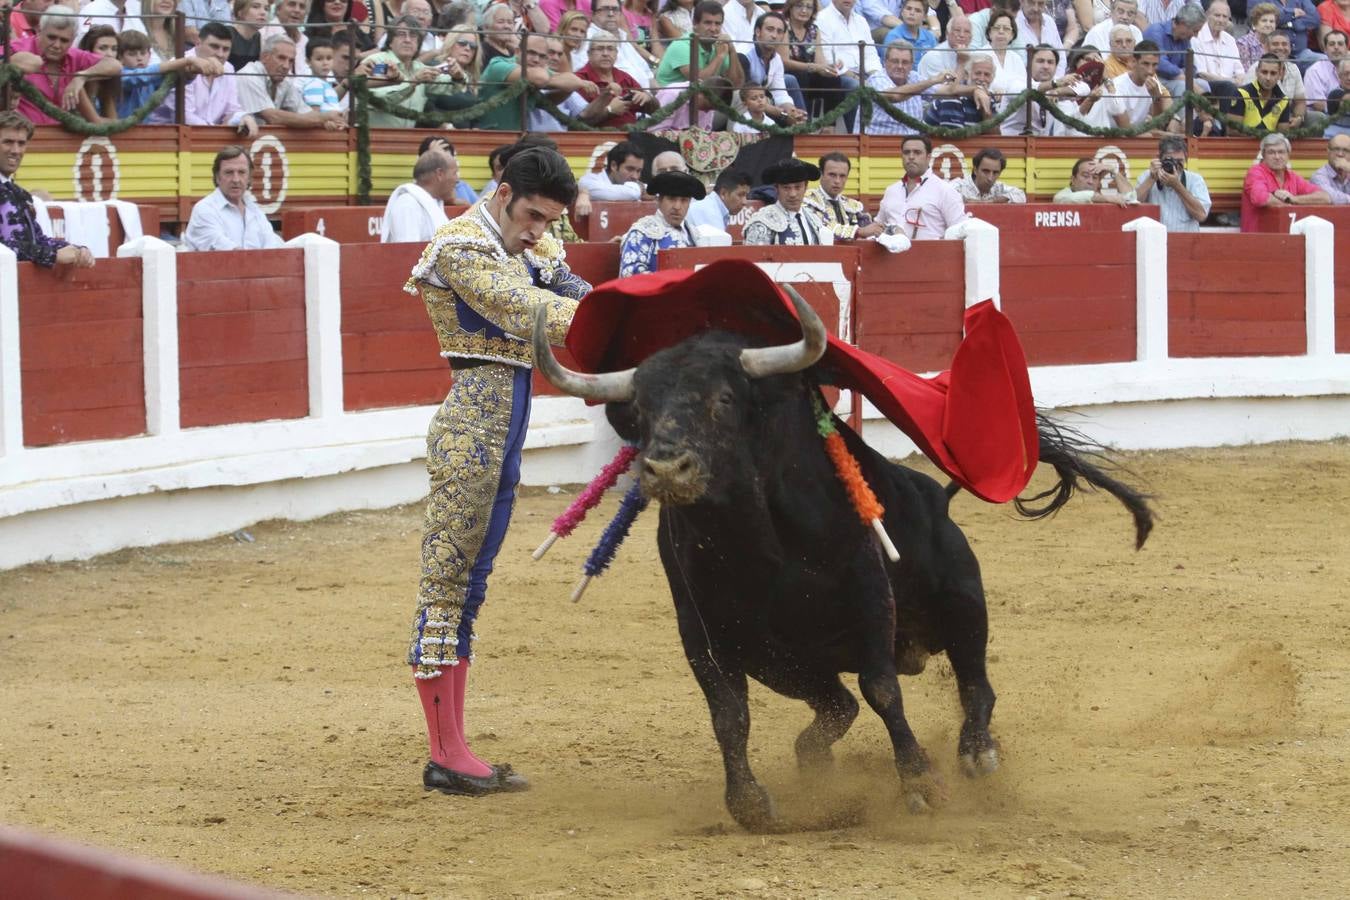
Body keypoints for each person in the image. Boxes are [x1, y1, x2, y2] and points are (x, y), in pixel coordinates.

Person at [404, 147, 590, 797]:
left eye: (548, 221)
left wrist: (633, 310)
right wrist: (618, 322)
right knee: (448, 586)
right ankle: (444, 753)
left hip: (505, 433)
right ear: (503, 192)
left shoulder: (533, 245)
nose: (539, 231)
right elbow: (530, 311)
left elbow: (575, 292)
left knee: (471, 586)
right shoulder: (460, 245)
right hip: (469, 438)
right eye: (532, 215)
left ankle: (454, 747)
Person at [0, 111, 94, 269]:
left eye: (21, 143)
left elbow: (38, 239)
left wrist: (76, 249)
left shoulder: (20, 194)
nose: (16, 150)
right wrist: (52, 255)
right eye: (8, 142)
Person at [11, 6, 123, 127]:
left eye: (64, 40)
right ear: (39, 31)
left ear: (72, 40)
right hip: (21, 135)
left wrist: (81, 76)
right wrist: (14, 62)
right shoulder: (17, 48)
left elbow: (115, 65)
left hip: (61, 138)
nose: (57, 45)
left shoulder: (74, 56)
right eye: (51, 37)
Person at [477, 32, 600, 130]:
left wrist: (572, 84)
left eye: (542, 56)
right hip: (486, 138)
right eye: (531, 53)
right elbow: (539, 78)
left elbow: (571, 80)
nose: (536, 60)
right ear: (518, 52)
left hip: (516, 141)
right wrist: (570, 83)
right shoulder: (499, 65)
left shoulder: (539, 71)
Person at [182, 146, 284, 251]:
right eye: (229, 172)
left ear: (249, 177)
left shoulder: (256, 212)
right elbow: (225, 250)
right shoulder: (204, 210)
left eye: (242, 172)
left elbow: (272, 250)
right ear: (217, 177)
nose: (236, 179)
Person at [237, 34, 347, 129]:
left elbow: (306, 112)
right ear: (265, 57)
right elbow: (273, 117)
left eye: (291, 61)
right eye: (281, 58)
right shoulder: (250, 74)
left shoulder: (285, 79)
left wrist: (330, 121)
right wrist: (322, 118)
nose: (286, 66)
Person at [116, 26, 222, 120]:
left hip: (145, 132)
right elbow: (141, 77)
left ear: (149, 55)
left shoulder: (152, 78)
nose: (139, 58)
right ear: (120, 57)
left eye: (143, 53)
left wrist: (193, 71)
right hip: (120, 133)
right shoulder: (120, 76)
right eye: (132, 54)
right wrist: (187, 60)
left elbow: (174, 80)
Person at [619, 170, 708, 276]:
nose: (677, 207)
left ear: (689, 203)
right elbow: (630, 276)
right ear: (659, 200)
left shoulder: (694, 235)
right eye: (671, 199)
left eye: (684, 200)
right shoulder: (642, 232)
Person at [875, 135, 966, 239]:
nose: (911, 157)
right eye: (906, 152)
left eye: (917, 152)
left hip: (929, 253)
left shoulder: (945, 190)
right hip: (889, 254)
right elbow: (879, 226)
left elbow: (959, 231)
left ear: (928, 157)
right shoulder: (891, 190)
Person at [177, 20, 258, 134]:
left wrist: (242, 117)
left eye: (226, 49)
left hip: (209, 138)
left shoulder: (228, 67)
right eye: (214, 46)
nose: (220, 54)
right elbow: (185, 116)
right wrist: (216, 132)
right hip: (168, 140)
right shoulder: (181, 63)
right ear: (198, 43)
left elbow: (232, 109)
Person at [864, 40, 956, 135]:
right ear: (885, 62)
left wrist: (961, 65)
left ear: (911, 65)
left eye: (905, 62)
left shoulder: (914, 77)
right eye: (895, 61)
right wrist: (933, 80)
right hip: (877, 145)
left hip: (912, 144)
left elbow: (948, 91)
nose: (900, 66)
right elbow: (894, 96)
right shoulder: (876, 79)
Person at [1241, 133, 1330, 231]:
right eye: (1271, 152)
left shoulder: (1293, 177)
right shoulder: (1255, 172)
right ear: (1263, 155)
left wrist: (1294, 199)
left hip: (1286, 237)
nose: (1277, 157)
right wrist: (1289, 207)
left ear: (1288, 154)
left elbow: (1325, 198)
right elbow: (1260, 198)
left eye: (1281, 152)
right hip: (1257, 239)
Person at [815, 0, 882, 130]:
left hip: (865, 74)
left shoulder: (861, 21)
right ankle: (858, 134)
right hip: (839, 75)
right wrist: (856, 77)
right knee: (856, 86)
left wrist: (878, 77)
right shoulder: (821, 18)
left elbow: (871, 53)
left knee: (887, 85)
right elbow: (828, 59)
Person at [743, 157, 833, 244]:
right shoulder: (762, 222)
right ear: (777, 189)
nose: (792, 194)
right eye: (786, 188)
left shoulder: (814, 220)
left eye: (797, 187)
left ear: (805, 187)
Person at [574, 36, 659, 127]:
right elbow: (579, 123)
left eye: (610, 49)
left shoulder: (624, 77)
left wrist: (647, 98)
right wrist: (609, 111)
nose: (605, 54)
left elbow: (655, 110)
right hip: (597, 136)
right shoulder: (580, 79)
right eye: (599, 49)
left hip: (632, 134)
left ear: (616, 54)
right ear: (589, 54)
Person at [655, 1, 745, 87]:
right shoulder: (681, 45)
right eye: (708, 23)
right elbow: (698, 81)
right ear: (695, 23)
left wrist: (732, 50)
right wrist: (720, 56)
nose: (713, 29)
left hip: (702, 97)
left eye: (717, 24)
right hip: (671, 98)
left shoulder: (718, 45)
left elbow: (736, 84)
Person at [1001, 43, 1083, 134]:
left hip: (1042, 143)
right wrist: (1054, 84)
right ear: (1029, 64)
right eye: (1040, 61)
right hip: (1011, 143)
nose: (1046, 66)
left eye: (1050, 62)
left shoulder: (1054, 87)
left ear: (1056, 67)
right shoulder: (1016, 81)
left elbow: (1084, 88)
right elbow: (1028, 91)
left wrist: (1056, 91)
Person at [740, 11, 808, 120]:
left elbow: (779, 92)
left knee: (794, 117)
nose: (774, 35)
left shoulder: (777, 59)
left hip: (761, 102)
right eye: (770, 29)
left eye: (779, 31)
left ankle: (802, 129)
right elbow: (745, 95)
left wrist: (791, 110)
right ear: (758, 32)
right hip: (741, 104)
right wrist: (778, 112)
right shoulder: (744, 54)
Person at [1134, 135, 1211, 230]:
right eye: (1170, 160)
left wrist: (1177, 186)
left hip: (1185, 240)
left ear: (1186, 159)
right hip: (1154, 239)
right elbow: (1133, 206)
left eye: (1179, 161)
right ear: (1159, 158)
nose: (1175, 165)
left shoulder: (1195, 180)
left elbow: (1201, 215)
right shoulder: (1147, 176)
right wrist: (1151, 179)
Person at [381, 150, 457, 243]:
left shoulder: (434, 203)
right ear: (440, 174)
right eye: (454, 173)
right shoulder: (408, 204)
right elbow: (407, 252)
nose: (457, 180)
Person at [807, 151, 884, 239]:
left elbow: (869, 228)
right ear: (821, 174)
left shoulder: (851, 206)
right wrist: (859, 231)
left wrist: (888, 230)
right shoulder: (809, 200)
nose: (837, 181)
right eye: (832, 175)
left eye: (842, 176)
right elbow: (821, 227)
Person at [1141, 3, 1206, 98]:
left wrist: (1181, 75)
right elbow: (1160, 63)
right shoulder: (1156, 31)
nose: (1196, 35)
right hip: (1154, 78)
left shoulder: (1185, 39)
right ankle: (1180, 113)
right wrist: (1180, 74)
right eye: (1195, 30)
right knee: (1182, 86)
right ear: (1183, 24)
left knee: (1203, 84)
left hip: (1176, 78)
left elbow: (1191, 67)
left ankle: (1206, 113)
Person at [1231, 54, 1297, 133]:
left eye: (1273, 73)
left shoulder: (1283, 101)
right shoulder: (1241, 93)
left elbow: (1283, 134)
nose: (1268, 78)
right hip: (1243, 144)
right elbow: (1232, 131)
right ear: (1257, 72)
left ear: (1280, 75)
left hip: (1270, 144)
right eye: (1264, 72)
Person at [684, 167, 751, 233]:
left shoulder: (712, 206)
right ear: (723, 193)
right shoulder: (708, 211)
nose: (744, 202)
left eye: (746, 196)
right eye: (740, 195)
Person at [419, 135, 478, 205]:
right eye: (439, 162)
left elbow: (482, 212)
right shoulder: (416, 193)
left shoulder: (462, 186)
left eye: (450, 160)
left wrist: (468, 207)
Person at [577, 141, 645, 201]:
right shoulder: (588, 181)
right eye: (630, 169)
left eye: (638, 171)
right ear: (614, 166)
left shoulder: (638, 186)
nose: (635, 176)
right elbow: (631, 193)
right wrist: (639, 190)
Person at [1053, 156, 1136, 204]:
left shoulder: (1102, 198)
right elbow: (1060, 199)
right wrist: (1105, 198)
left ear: (1099, 182)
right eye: (1085, 176)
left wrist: (1114, 171)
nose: (1090, 181)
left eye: (1095, 177)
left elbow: (1131, 198)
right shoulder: (1064, 195)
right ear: (1073, 180)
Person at [957, 147, 1028, 202]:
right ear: (975, 170)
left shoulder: (998, 187)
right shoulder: (959, 187)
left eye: (995, 172)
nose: (990, 178)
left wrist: (992, 202)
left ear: (1000, 173)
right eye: (986, 171)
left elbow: (1021, 196)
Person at [1305, 28, 1347, 111]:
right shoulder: (1315, 71)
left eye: (1340, 44)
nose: (1336, 47)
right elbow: (1318, 105)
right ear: (1325, 49)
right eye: (1331, 44)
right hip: (1325, 117)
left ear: (1346, 49)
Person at [299, 38, 344, 113]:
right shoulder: (314, 84)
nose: (325, 63)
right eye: (319, 59)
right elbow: (314, 114)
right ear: (308, 61)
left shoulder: (326, 85)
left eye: (329, 58)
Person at [228, 0, 267, 72]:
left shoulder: (258, 37)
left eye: (266, 8)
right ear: (240, 12)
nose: (263, 12)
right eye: (255, 7)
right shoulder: (227, 33)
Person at [1310, 132, 1350, 200]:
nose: (1340, 154)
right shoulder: (1318, 176)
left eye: (1345, 150)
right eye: (1336, 149)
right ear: (1328, 151)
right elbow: (1331, 198)